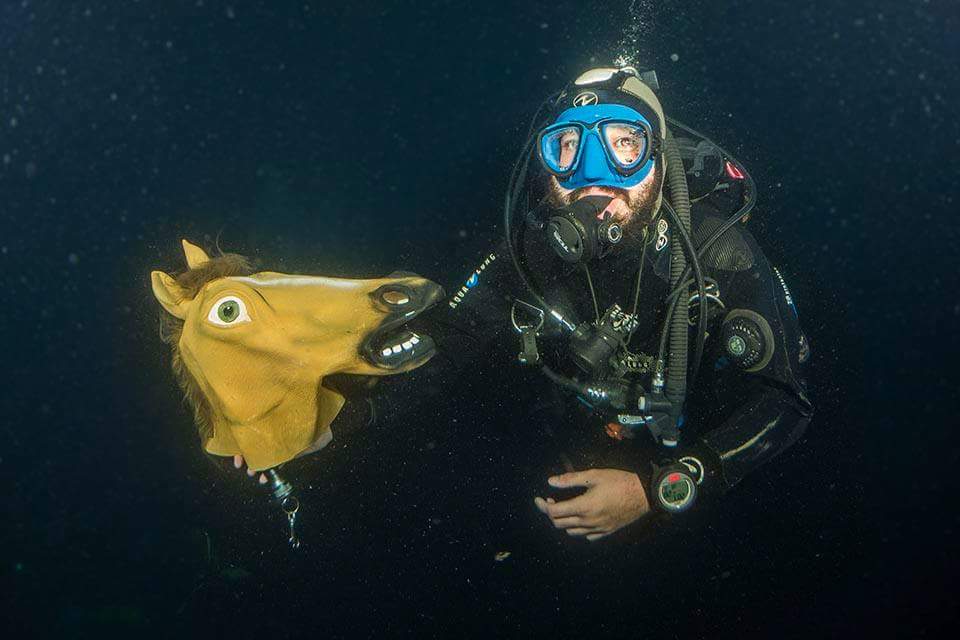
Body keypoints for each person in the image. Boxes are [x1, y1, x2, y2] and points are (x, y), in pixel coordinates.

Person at [239, 67, 814, 542]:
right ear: (546, 166)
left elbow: (783, 399)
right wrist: (339, 418)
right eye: (568, 146)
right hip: (568, 450)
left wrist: (661, 488)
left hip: (699, 473)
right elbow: (447, 343)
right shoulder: (532, 253)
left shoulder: (717, 253)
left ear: (660, 161)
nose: (594, 173)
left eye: (624, 144)